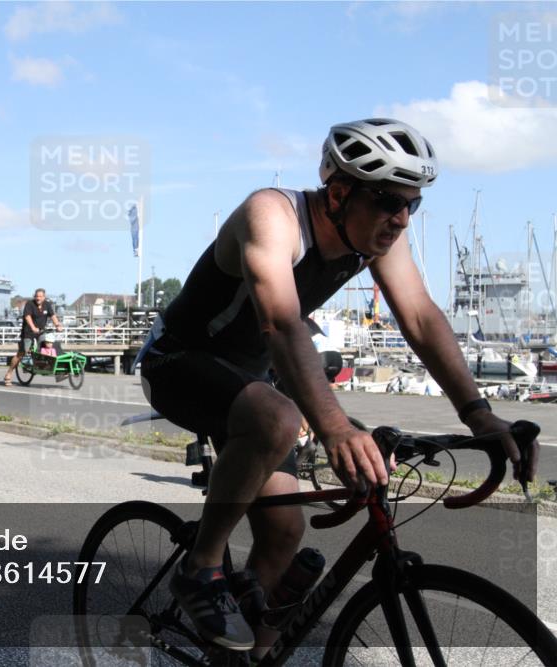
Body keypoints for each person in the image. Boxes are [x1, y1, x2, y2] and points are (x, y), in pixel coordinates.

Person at [138, 118, 540, 653]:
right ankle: (201, 567)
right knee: (277, 416)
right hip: (178, 361)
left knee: (284, 533)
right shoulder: (272, 217)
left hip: (250, 380)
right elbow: (281, 324)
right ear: (338, 193)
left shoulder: (374, 238)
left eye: (411, 205)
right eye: (387, 201)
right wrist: (333, 429)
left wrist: (478, 413)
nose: (400, 219)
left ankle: (242, 657)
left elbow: (420, 317)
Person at [4, 288, 62, 386]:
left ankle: (52, 369)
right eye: (36, 296)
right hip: (28, 332)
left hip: (41, 332)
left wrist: (57, 325)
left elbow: (53, 316)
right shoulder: (30, 304)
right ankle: (9, 373)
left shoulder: (47, 305)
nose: (38, 298)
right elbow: (27, 317)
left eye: (40, 296)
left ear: (44, 297)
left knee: (49, 344)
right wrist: (33, 327)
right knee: (23, 352)